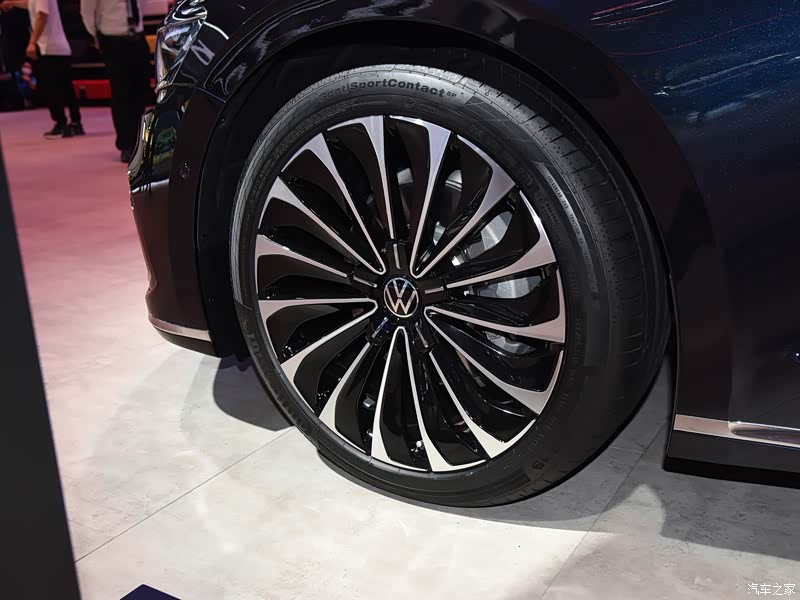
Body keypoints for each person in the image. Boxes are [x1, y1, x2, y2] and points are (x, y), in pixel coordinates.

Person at [1, 0, 84, 137]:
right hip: (59, 47)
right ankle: (76, 122)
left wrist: (32, 42)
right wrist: (14, 3)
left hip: (48, 47)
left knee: (52, 88)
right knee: (66, 87)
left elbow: (42, 15)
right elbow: (32, 4)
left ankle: (60, 123)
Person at [80, 0, 149, 162]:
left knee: (141, 91)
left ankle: (141, 141)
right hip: (112, 37)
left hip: (137, 35)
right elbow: (87, 10)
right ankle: (126, 144)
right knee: (121, 93)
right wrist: (96, 36)